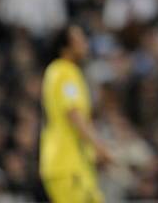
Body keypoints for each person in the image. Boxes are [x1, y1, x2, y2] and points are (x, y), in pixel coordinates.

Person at [39, 24, 112, 203]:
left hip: (75, 165)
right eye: (79, 40)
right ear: (65, 47)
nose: (85, 44)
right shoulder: (64, 71)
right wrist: (100, 147)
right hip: (67, 164)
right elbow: (74, 114)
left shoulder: (62, 72)